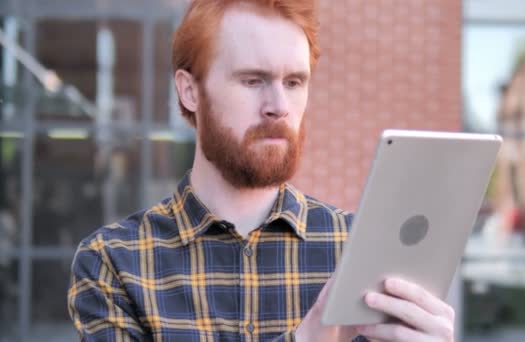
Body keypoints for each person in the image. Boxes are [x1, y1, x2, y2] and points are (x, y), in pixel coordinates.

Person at [67, 0, 455, 341]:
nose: (279, 106)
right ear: (189, 91)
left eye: (294, 82)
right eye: (253, 80)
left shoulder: (361, 252)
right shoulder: (115, 263)